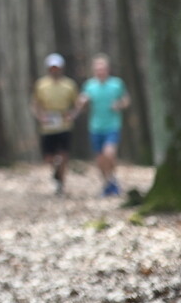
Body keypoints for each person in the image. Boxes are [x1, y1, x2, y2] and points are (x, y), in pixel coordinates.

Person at [78, 53, 130, 197]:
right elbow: (81, 106)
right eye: (97, 69)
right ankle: (108, 183)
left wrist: (119, 104)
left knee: (109, 154)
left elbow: (126, 100)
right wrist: (83, 102)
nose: (100, 71)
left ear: (108, 69)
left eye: (102, 69)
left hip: (112, 125)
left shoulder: (116, 84)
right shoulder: (89, 86)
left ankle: (112, 180)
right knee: (100, 160)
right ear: (94, 70)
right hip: (95, 127)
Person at [30, 53, 79, 195]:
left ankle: (61, 183)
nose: (54, 70)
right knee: (49, 157)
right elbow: (35, 104)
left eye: (57, 68)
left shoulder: (69, 85)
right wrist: (40, 116)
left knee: (63, 155)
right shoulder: (41, 85)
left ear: (61, 68)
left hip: (64, 125)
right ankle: (56, 173)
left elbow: (77, 104)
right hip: (48, 126)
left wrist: (72, 114)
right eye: (52, 68)